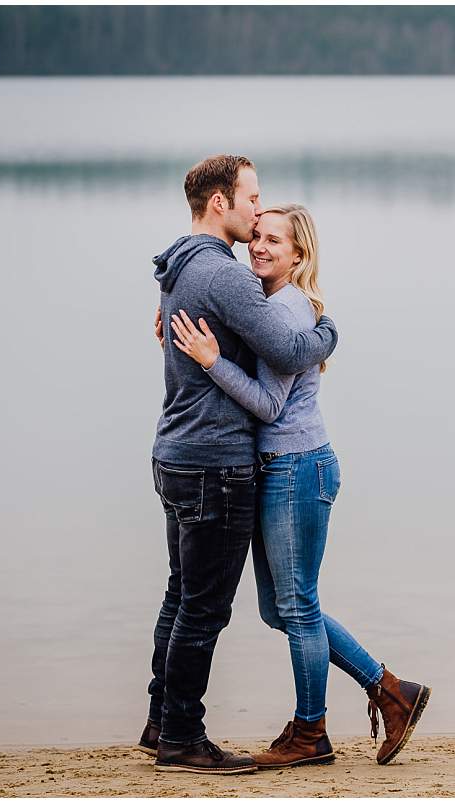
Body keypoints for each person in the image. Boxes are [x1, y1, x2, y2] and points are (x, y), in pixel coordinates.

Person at [167, 204, 430, 769]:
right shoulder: (268, 304)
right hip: (280, 468)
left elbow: (268, 403)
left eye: (275, 241)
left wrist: (212, 360)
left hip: (297, 466)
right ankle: (391, 691)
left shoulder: (287, 309)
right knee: (281, 608)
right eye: (256, 236)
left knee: (297, 606)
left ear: (299, 254)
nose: (259, 247)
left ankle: (312, 732)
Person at [143, 156, 339, 774]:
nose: (258, 211)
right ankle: (182, 736)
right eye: (252, 198)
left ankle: (162, 721)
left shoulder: (176, 267)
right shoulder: (223, 275)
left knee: (181, 596)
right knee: (204, 607)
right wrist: (328, 328)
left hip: (176, 450)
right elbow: (286, 347)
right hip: (215, 459)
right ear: (220, 203)